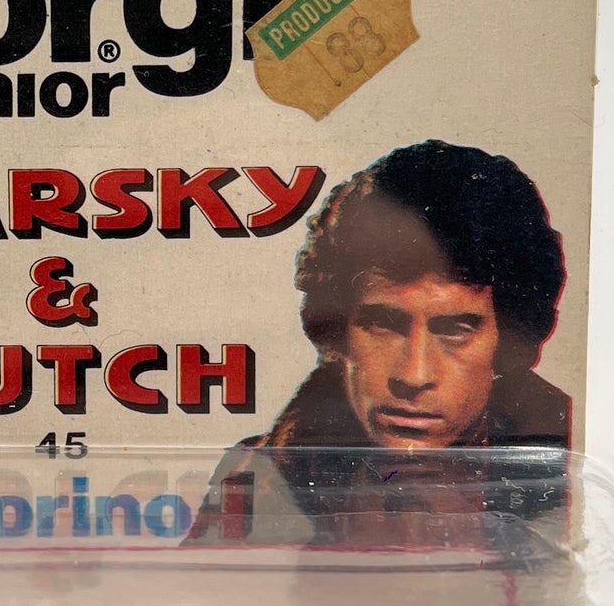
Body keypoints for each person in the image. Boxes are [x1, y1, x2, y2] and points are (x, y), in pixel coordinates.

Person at [194, 140, 570, 543]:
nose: (413, 375)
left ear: (507, 341)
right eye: (383, 325)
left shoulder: (570, 467)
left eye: (454, 331)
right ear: (339, 331)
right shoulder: (256, 477)